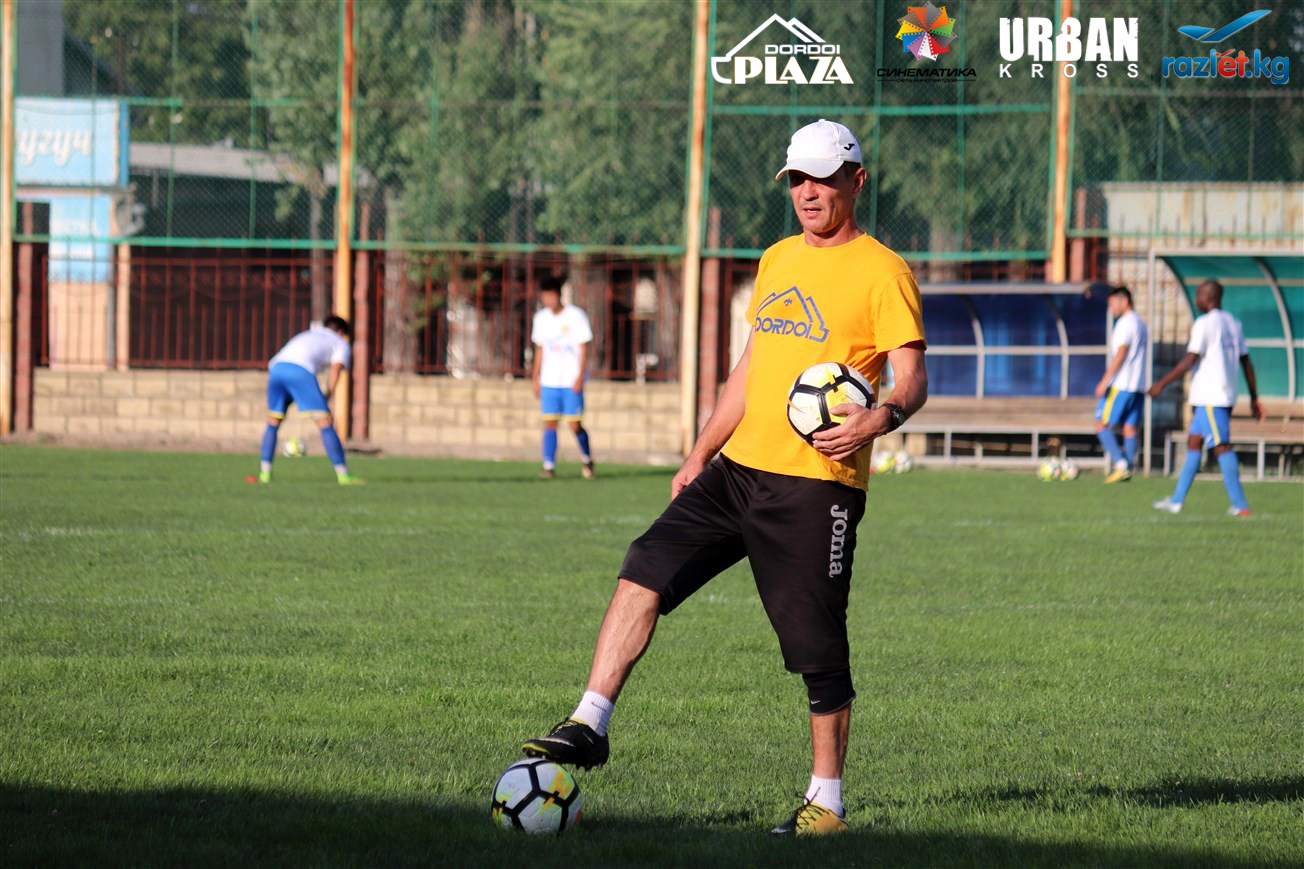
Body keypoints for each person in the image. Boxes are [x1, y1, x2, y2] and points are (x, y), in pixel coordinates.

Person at [520, 119, 928, 835]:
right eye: (796, 179)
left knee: (816, 644)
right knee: (645, 564)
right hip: (737, 471)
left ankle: (827, 804)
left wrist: (881, 418)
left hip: (816, 485)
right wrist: (699, 451)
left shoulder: (883, 270)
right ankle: (590, 721)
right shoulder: (775, 259)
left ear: (857, 181)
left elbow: (914, 377)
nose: (807, 192)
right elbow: (750, 369)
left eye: (822, 178)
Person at [1148, 279, 1263, 515]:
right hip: (1219, 396)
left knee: (1221, 447)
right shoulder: (1233, 323)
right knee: (1194, 443)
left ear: (1210, 297)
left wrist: (1162, 383)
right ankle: (1177, 501)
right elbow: (1246, 362)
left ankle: (1240, 505)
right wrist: (1253, 397)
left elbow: (1191, 358)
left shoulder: (1204, 324)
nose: (1195, 299)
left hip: (1212, 397)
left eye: (1199, 294)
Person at [251, 315, 363, 485]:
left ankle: (264, 474)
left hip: (276, 368)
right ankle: (344, 476)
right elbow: (336, 369)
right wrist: (328, 394)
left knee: (273, 421)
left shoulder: (308, 334)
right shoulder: (340, 343)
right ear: (341, 332)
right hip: (300, 371)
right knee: (325, 422)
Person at [531, 276, 595, 479]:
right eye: (544, 297)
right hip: (549, 381)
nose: (548, 301)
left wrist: (580, 376)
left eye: (551, 296)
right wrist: (535, 378)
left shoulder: (576, 316)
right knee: (550, 422)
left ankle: (587, 459)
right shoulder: (541, 318)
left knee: (574, 424)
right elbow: (540, 349)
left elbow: (583, 348)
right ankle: (548, 466)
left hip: (570, 380)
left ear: (558, 295)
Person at [1092, 284, 1148, 483]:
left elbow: (1122, 352)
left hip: (1122, 384)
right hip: (1138, 385)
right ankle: (1129, 468)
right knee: (1129, 427)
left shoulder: (1125, 323)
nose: (1111, 309)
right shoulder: (1140, 323)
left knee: (1100, 423)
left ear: (1124, 301)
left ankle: (1121, 464)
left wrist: (1105, 380)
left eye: (1112, 304)